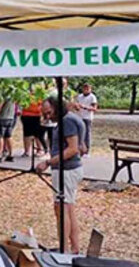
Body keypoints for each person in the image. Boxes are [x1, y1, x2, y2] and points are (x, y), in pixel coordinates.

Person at [36, 94, 86, 254]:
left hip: (67, 170)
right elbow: (82, 147)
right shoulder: (71, 118)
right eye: (45, 114)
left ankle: (64, 250)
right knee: (68, 208)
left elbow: (73, 149)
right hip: (68, 169)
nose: (47, 117)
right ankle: (74, 248)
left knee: (61, 209)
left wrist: (48, 162)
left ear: (57, 107)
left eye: (49, 113)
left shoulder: (67, 121)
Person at [74, 82, 97, 156]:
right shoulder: (80, 96)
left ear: (90, 89)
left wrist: (85, 107)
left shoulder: (92, 97)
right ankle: (80, 149)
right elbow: (77, 106)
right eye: (85, 89)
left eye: (87, 89)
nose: (86, 90)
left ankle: (87, 151)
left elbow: (94, 108)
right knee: (79, 134)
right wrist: (77, 107)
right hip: (79, 117)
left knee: (87, 134)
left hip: (87, 117)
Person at [0, 96, 18, 162]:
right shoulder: (13, 95)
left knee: (0, 136)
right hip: (10, 117)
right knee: (8, 136)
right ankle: (11, 154)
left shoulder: (3, 95)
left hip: (2, 117)